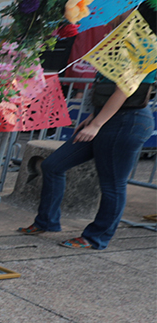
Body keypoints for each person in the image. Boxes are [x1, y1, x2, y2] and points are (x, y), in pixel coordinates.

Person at [17, 37, 156, 249]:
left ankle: (96, 237)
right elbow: (108, 88)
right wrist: (94, 116)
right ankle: (47, 221)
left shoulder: (145, 45)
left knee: (112, 184)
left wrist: (97, 123)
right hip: (105, 117)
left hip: (127, 120)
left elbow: (125, 90)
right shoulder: (121, 40)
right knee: (52, 165)